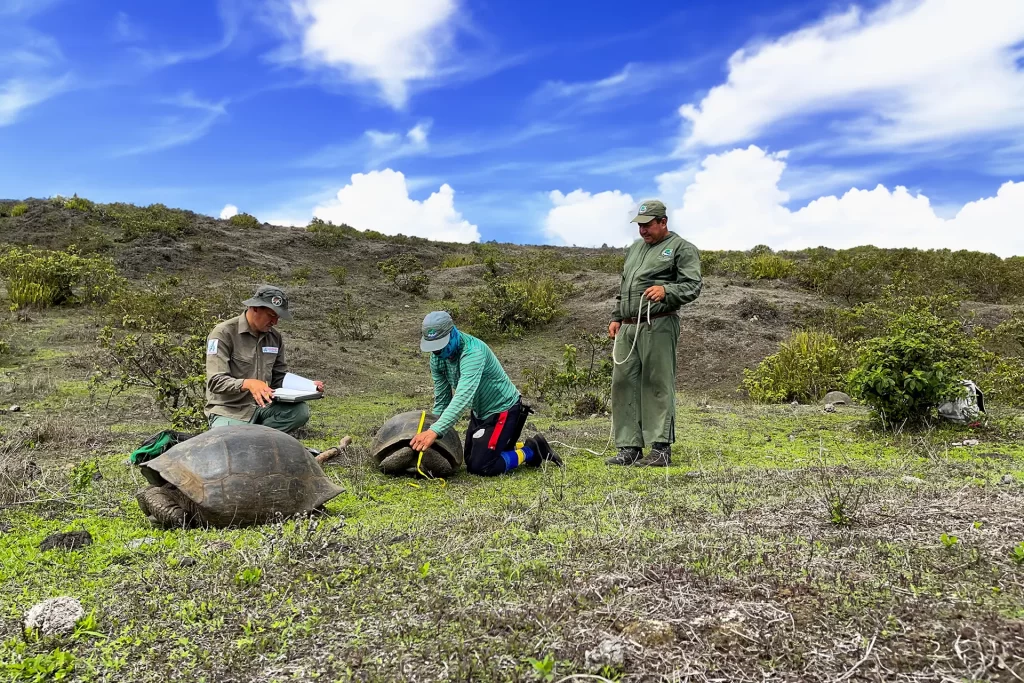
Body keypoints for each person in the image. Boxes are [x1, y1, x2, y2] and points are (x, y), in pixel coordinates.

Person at [606, 200, 702, 467]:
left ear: (663, 222)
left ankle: (660, 449)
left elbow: (693, 285)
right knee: (623, 383)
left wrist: (667, 290)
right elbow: (625, 286)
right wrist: (616, 317)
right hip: (628, 327)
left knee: (657, 383)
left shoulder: (681, 248)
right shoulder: (635, 249)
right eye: (640, 225)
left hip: (658, 323)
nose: (643, 230)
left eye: (648, 225)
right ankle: (629, 447)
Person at [408, 311, 563, 476]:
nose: (438, 352)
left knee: (482, 466)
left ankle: (531, 450)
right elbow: (442, 400)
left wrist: (435, 431)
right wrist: (431, 429)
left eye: (441, 345)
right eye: (434, 348)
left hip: (503, 409)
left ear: (453, 333)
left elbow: (463, 396)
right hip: (479, 412)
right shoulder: (437, 358)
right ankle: (512, 446)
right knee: (469, 458)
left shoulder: (473, 352)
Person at [204, 285, 325, 434]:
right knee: (232, 440)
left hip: (263, 407)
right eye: (271, 315)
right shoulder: (223, 333)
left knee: (300, 411)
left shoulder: (275, 338)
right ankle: (256, 437)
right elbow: (216, 381)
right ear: (255, 308)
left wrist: (306, 385)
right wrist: (248, 384)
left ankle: (256, 436)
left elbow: (278, 377)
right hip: (230, 410)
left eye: (278, 317)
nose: (275, 322)